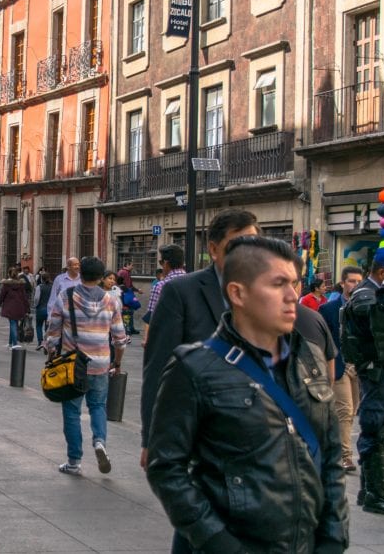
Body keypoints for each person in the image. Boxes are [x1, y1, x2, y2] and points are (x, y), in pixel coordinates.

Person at [140, 209, 339, 547]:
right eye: (236, 243)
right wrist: (150, 437)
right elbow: (158, 366)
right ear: (214, 249)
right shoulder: (183, 292)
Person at [46, 256, 127, 475]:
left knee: (72, 412)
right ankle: (99, 441)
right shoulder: (112, 301)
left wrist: (52, 352)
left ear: (80, 274)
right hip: (101, 363)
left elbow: (52, 333)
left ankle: (74, 461)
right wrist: (116, 362)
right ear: (102, 277)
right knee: (98, 406)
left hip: (74, 366)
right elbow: (120, 338)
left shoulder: (66, 297)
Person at [340, 246, 384, 515]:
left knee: (378, 427)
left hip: (376, 370)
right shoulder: (366, 293)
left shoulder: (368, 291)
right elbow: (371, 315)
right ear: (383, 272)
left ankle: (368, 492)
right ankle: (375, 494)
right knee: (376, 428)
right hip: (374, 370)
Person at [319, 265, 364, 471]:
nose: (355, 285)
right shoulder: (328, 309)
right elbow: (322, 340)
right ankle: (345, 456)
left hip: (359, 365)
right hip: (339, 365)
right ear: (343, 283)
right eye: (351, 281)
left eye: (358, 281)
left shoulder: (366, 306)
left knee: (352, 410)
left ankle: (331, 447)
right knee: (345, 410)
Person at [142, 244, 186, 336]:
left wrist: (146, 339)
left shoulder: (160, 286)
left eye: (161, 262)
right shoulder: (194, 282)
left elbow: (151, 317)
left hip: (167, 337)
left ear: (165, 263)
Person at [0, 267, 30, 348]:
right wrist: (27, 307)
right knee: (14, 324)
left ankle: (14, 344)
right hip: (19, 307)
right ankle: (10, 343)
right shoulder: (21, 284)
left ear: (9, 274)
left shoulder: (7, 284)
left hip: (9, 307)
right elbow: (24, 297)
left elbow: (2, 296)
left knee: (13, 324)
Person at [32, 271, 53, 349]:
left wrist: (35, 305)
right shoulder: (53, 287)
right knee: (47, 327)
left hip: (41, 308)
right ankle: (46, 342)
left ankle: (40, 342)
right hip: (50, 310)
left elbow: (37, 298)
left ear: (41, 279)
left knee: (38, 326)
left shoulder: (39, 287)